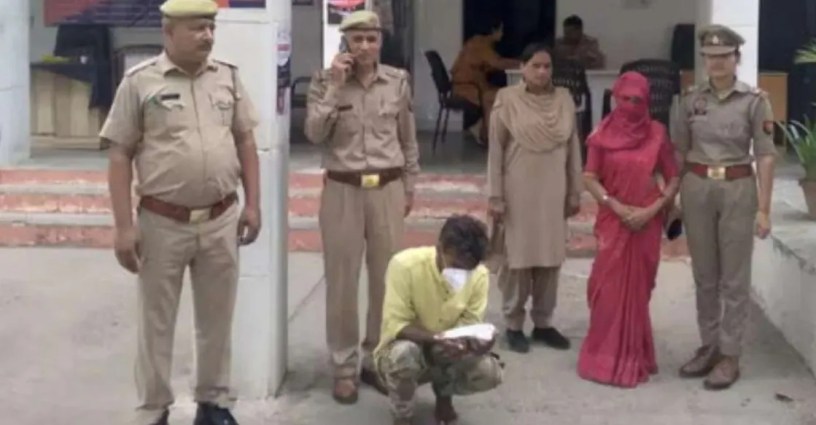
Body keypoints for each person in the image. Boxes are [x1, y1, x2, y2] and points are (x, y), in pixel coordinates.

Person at [101, 0, 261, 424]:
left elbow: (245, 140)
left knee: (217, 318)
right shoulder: (140, 82)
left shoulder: (227, 77)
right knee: (156, 322)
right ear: (169, 32)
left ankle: (213, 403)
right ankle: (154, 409)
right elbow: (120, 155)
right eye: (197, 28)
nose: (207, 36)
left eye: (210, 27)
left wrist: (253, 204)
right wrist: (123, 227)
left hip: (221, 219)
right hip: (161, 222)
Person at [304, 10, 421, 404]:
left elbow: (408, 139)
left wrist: (410, 185)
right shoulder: (324, 81)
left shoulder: (397, 81)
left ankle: (376, 359)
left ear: (380, 41)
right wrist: (335, 89)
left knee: (387, 280)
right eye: (358, 40)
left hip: (387, 188)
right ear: (346, 43)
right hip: (343, 190)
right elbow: (314, 133)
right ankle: (343, 367)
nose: (365, 46)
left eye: (372, 38)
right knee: (342, 282)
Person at [670, 24, 776, 390]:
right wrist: (675, 197)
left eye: (724, 56)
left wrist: (764, 208)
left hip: (737, 189)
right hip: (697, 188)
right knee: (705, 275)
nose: (716, 63)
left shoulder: (755, 100)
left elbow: (765, 155)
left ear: (736, 58)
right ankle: (709, 346)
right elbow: (679, 151)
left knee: (734, 277)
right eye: (710, 57)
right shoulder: (690, 99)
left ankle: (730, 355)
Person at [577, 71, 680, 388]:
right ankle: (602, 357)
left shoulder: (657, 133)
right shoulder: (602, 134)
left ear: (647, 102)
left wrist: (652, 210)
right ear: (615, 98)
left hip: (647, 223)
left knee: (638, 291)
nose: (631, 105)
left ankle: (635, 356)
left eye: (638, 100)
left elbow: (673, 177)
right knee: (606, 288)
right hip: (614, 220)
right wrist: (616, 206)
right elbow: (589, 177)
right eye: (625, 99)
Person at [486, 43, 583, 354]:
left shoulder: (564, 99)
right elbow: (496, 151)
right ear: (522, 68)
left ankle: (543, 323)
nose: (542, 72)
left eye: (547, 66)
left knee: (550, 259)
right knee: (517, 259)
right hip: (518, 192)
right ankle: (514, 324)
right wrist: (495, 195)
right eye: (536, 66)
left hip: (553, 192)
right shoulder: (507, 100)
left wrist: (575, 190)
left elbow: (573, 149)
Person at [374, 214, 503, 425]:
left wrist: (476, 344)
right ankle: (402, 413)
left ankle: (444, 395)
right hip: (404, 348)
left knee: (489, 372)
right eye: (456, 265)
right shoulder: (404, 266)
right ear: (439, 248)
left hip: (446, 348)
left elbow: (469, 323)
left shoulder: (479, 276)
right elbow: (397, 324)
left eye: (468, 268)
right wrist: (436, 338)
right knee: (404, 355)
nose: (462, 273)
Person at [450, 21, 521, 144]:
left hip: (470, 85)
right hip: (467, 88)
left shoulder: (479, 42)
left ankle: (483, 130)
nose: (502, 33)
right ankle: (487, 135)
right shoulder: (480, 44)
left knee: (496, 94)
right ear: (493, 31)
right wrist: (522, 63)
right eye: (501, 30)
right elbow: (498, 63)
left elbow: (491, 63)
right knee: (496, 97)